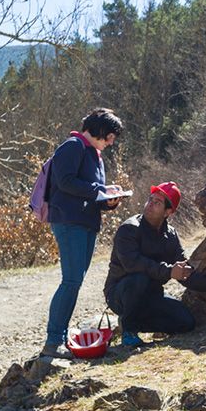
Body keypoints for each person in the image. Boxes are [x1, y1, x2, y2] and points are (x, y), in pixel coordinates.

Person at [104, 181, 206, 347]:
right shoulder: (129, 229)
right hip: (120, 294)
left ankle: (134, 321)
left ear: (168, 212)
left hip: (151, 296)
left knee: (185, 322)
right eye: (150, 199)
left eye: (157, 203)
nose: (149, 205)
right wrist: (169, 272)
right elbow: (133, 265)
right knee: (139, 278)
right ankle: (128, 330)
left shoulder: (170, 235)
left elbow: (184, 272)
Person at [40, 108, 126, 358]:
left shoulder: (94, 155)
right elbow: (65, 182)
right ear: (99, 130)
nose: (111, 142)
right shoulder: (73, 146)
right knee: (71, 281)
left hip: (86, 222)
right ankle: (54, 341)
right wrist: (98, 190)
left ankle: (58, 338)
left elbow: (91, 191)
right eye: (110, 136)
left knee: (74, 281)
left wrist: (108, 199)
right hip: (69, 222)